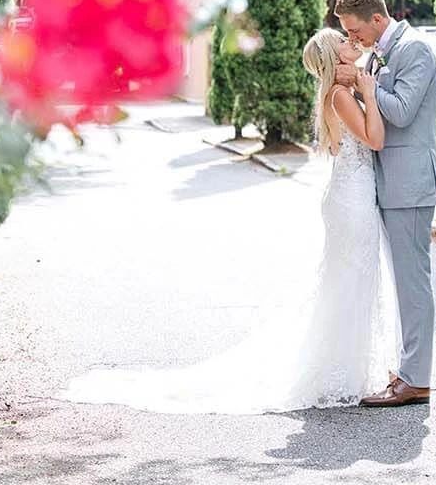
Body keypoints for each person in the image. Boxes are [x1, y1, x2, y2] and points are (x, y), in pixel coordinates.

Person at [61, 28, 400, 413]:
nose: (350, 42)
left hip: (351, 196)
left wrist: (364, 88)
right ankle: (340, 373)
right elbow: (375, 140)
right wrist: (370, 95)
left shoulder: (344, 90)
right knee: (350, 284)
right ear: (332, 56)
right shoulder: (340, 96)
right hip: (352, 201)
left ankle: (350, 369)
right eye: (342, 40)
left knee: (352, 284)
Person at [332, 0, 436, 407]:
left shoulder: (414, 50)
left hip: (410, 184)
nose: (353, 39)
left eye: (355, 31)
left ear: (377, 19)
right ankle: (407, 368)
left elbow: (399, 111)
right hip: (388, 182)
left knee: (414, 283)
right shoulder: (383, 51)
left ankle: (415, 380)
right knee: (403, 282)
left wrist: (362, 85)